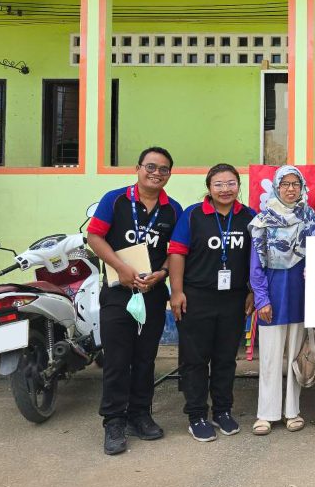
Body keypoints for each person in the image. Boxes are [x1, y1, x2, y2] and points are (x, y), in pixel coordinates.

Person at [86, 146, 182, 456]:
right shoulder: (115, 200)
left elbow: (175, 250)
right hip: (118, 292)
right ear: (138, 168)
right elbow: (95, 237)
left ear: (169, 174)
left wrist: (162, 274)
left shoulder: (173, 209)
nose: (156, 173)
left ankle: (140, 414)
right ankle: (114, 421)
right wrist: (121, 268)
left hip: (152, 294)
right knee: (117, 359)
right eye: (151, 166)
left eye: (163, 169)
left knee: (144, 358)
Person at [167, 164, 256, 442]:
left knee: (225, 358)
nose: (225, 189)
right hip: (196, 297)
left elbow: (256, 258)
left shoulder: (249, 216)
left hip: (234, 299)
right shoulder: (193, 215)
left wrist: (252, 291)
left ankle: (222, 411)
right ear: (209, 187)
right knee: (195, 360)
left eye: (231, 183)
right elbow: (177, 253)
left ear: (239, 186)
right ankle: (196, 415)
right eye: (218, 184)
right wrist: (176, 291)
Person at [247, 165, 315, 436]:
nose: (291, 189)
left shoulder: (311, 219)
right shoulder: (263, 221)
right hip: (273, 296)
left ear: (302, 187)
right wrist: (261, 300)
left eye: (295, 184)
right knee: (269, 358)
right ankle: (266, 414)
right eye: (285, 184)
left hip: (301, 295)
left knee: (296, 357)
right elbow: (256, 267)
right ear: (276, 187)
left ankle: (292, 411)